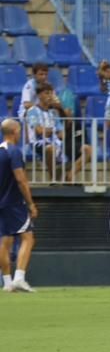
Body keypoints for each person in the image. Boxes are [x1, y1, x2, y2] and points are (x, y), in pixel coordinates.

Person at [0, 120, 39, 293]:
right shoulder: (14, 152)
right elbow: (21, 179)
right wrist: (30, 203)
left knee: (5, 240)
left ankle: (7, 282)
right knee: (28, 237)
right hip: (14, 203)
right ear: (15, 131)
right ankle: (19, 278)